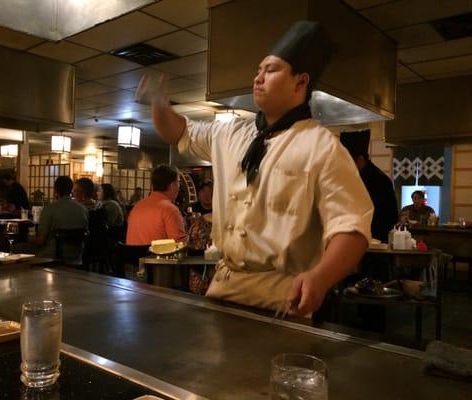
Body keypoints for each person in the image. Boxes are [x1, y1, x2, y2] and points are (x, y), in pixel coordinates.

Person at [136, 20, 373, 315]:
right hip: (224, 286)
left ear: (301, 81)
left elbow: (351, 229)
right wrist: (159, 103)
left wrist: (321, 277)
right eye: (258, 71)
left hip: (283, 297)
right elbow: (177, 131)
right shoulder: (229, 133)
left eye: (271, 70)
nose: (258, 78)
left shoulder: (322, 146)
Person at [340, 130, 398, 242]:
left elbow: (391, 218)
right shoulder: (351, 179)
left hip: (375, 245)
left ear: (360, 159)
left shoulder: (380, 180)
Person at [126, 164, 187, 245]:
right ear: (172, 185)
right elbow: (180, 243)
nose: (179, 186)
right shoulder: (170, 209)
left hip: (132, 257)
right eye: (178, 182)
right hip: (156, 257)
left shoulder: (137, 207)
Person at [34, 176, 89, 263]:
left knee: (19, 248)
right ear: (71, 189)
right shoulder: (83, 209)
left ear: (55, 189)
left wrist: (29, 239)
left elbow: (41, 240)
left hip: (53, 255)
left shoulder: (49, 209)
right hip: (77, 255)